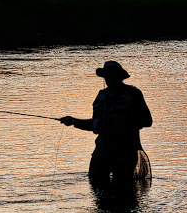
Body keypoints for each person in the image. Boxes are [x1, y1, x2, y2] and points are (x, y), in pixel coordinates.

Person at [60, 60, 152, 188]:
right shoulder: (101, 96)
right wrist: (74, 121)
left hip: (125, 153)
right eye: (107, 75)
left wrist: (125, 120)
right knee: (96, 185)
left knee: (124, 191)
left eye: (112, 75)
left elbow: (147, 121)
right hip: (102, 152)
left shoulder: (134, 94)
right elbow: (95, 124)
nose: (109, 79)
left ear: (120, 77)